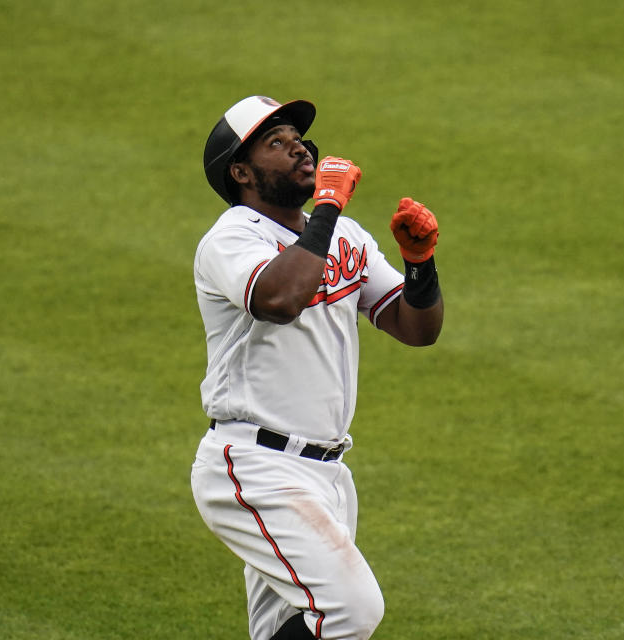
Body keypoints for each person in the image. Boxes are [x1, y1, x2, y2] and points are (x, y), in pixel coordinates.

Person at [190, 95, 444, 640]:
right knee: (352, 610)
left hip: (327, 474)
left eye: (298, 138)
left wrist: (420, 266)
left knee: (292, 626)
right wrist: (328, 207)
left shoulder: (345, 237)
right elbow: (281, 297)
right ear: (241, 172)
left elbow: (415, 328)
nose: (299, 148)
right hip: (254, 466)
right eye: (275, 144)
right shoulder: (233, 237)